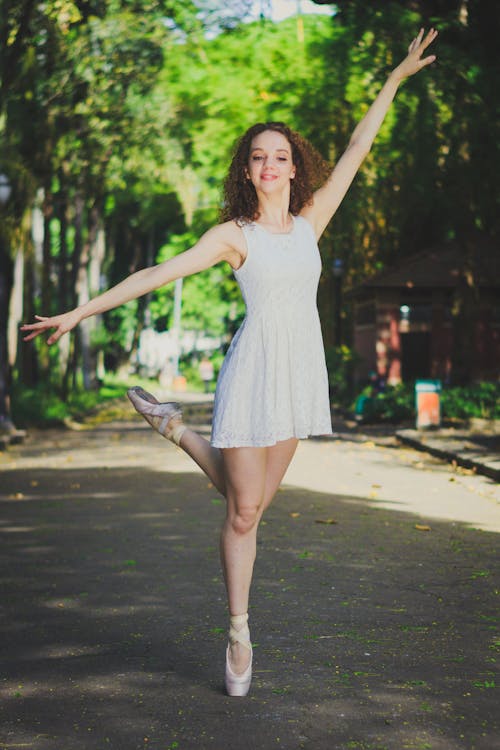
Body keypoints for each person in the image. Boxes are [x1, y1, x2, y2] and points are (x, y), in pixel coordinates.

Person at [22, 28, 438, 697]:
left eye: (280, 156)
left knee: (254, 504)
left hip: (301, 375)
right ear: (246, 170)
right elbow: (156, 273)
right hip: (252, 373)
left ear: (295, 166)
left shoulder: (310, 223)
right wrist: (79, 313)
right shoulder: (232, 237)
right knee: (242, 512)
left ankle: (173, 428)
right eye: (258, 158)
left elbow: (360, 147)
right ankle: (240, 632)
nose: (270, 165)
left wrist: (393, 79)